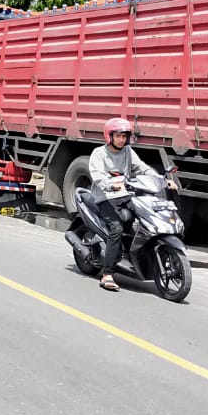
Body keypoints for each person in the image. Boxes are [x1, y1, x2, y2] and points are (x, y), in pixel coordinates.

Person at [87, 117, 172, 293]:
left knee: (148, 217)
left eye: (124, 136)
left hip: (125, 195)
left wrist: (162, 180)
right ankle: (107, 274)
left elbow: (142, 168)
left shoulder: (127, 151)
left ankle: (138, 254)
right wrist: (110, 184)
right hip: (105, 198)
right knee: (116, 228)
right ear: (109, 136)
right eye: (118, 136)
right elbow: (97, 176)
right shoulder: (99, 153)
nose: (122, 139)